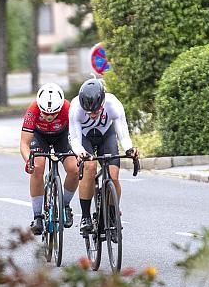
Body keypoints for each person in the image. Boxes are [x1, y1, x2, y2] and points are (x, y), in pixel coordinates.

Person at [68, 78, 139, 235]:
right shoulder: (75, 109)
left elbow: (123, 133)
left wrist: (129, 149)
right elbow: (75, 139)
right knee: (90, 166)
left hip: (106, 135)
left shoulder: (113, 104)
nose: (93, 115)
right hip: (84, 137)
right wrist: (80, 152)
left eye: (96, 111)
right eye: (89, 112)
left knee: (113, 175)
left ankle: (112, 215)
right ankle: (85, 217)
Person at [20, 83, 79, 235]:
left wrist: (80, 153)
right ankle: (37, 216)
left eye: (53, 114)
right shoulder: (33, 110)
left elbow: (77, 136)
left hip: (63, 137)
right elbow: (24, 143)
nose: (49, 117)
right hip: (40, 137)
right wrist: (29, 161)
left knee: (74, 169)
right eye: (45, 114)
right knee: (38, 166)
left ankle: (65, 205)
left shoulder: (68, 108)